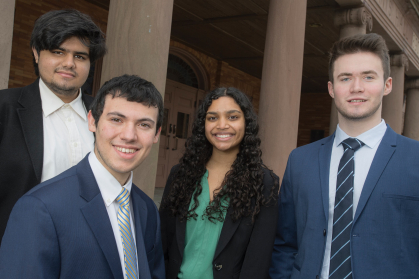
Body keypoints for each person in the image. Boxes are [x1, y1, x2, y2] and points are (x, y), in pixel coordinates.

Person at [270, 33, 419, 279]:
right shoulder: (300, 160)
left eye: (368, 77)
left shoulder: (414, 158)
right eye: (345, 78)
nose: (356, 87)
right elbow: (285, 242)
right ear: (331, 88)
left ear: (387, 84)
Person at [0, 75, 165, 279]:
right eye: (116, 120)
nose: (129, 135)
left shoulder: (147, 209)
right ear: (92, 121)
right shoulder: (40, 208)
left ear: (157, 134)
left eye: (144, 125)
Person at [0, 9, 107, 241]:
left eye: (80, 56)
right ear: (37, 53)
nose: (69, 63)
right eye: (58, 52)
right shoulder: (4, 108)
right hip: (19, 245)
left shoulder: (104, 114)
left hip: (88, 247)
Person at [160, 87, 279, 279]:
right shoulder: (180, 175)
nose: (221, 125)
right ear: (203, 125)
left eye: (232, 117)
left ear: (246, 123)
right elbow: (163, 242)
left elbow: (258, 260)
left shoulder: (264, 183)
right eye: (212, 118)